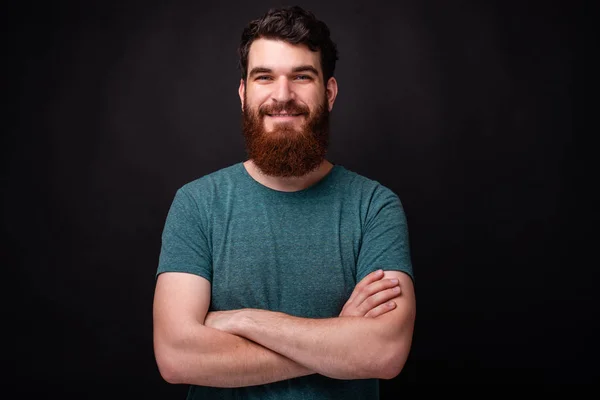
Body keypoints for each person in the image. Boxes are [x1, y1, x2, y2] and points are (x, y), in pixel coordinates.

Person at [152, 5, 416, 399]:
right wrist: (339, 343)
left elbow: (385, 351)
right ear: (244, 93)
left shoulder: (375, 206)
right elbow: (176, 357)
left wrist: (244, 320)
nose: (282, 95)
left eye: (301, 76)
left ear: (328, 92)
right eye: (264, 77)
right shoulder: (196, 204)